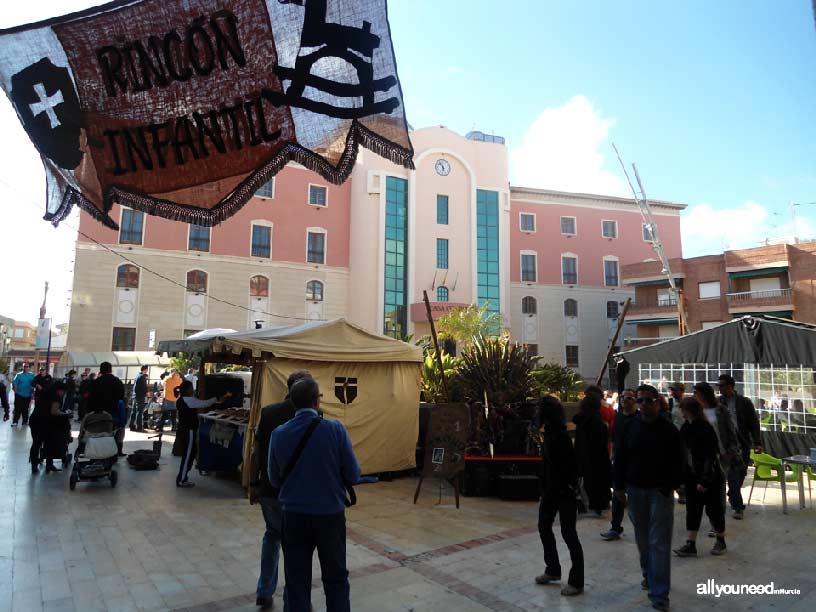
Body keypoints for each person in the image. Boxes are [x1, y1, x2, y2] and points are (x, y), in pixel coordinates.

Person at [269, 378, 361, 612]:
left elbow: (274, 479)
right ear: (316, 400)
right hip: (330, 516)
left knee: (297, 582)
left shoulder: (279, 434)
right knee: (336, 578)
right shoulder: (335, 430)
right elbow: (354, 473)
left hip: (294, 517)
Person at [614, 384, 685, 612]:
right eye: (640, 400)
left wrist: (670, 487)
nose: (644, 404)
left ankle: (660, 593)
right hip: (635, 491)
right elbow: (621, 457)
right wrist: (618, 488)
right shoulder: (629, 427)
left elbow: (680, 462)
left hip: (659, 493)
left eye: (648, 400)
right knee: (643, 541)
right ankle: (649, 575)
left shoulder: (668, 429)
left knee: (659, 544)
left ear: (657, 402)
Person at [250, 369, 313, 610]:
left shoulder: (268, 413)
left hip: (269, 489)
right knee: (296, 545)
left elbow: (257, 452)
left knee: (272, 536)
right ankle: (293, 599)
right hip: (298, 493)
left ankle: (265, 591)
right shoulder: (313, 416)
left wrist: (253, 483)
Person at [534, 396, 584, 597]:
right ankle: (553, 569)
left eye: (539, 409)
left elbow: (567, 467)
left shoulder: (560, 436)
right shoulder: (550, 433)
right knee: (544, 527)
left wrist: (565, 489)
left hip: (564, 492)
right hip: (551, 491)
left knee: (569, 534)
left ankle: (577, 581)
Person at [673, 397, 727, 558]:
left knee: (714, 510)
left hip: (709, 477)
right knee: (693, 511)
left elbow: (710, 456)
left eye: (683, 409)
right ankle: (691, 544)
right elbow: (683, 454)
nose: (681, 412)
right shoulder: (686, 428)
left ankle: (721, 540)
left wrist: (704, 480)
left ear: (689, 410)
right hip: (692, 477)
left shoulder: (705, 428)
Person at [693, 382, 742, 521]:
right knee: (707, 488)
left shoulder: (720, 410)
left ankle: (726, 515)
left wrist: (731, 450)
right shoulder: (696, 411)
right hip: (704, 456)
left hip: (722, 453)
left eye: (697, 393)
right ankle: (713, 519)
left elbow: (731, 431)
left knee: (723, 486)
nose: (695, 395)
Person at [717, 374, 762, 520]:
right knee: (732, 477)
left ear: (731, 386)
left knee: (740, 475)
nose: (720, 388)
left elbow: (754, 424)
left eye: (722, 385)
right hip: (726, 446)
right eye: (719, 386)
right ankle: (738, 507)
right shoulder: (718, 403)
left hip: (742, 445)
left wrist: (757, 442)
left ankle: (732, 494)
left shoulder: (744, 402)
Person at [175, 379, 230, 487]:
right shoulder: (188, 400)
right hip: (188, 431)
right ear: (187, 390)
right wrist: (217, 398)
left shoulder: (183, 399)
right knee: (188, 456)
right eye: (191, 388)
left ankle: (183, 478)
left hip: (184, 430)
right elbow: (205, 403)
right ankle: (181, 479)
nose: (193, 389)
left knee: (190, 454)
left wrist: (217, 400)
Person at [601, 388, 638, 541]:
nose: (625, 400)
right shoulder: (619, 417)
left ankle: (642, 528)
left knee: (636, 500)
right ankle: (615, 527)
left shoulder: (639, 418)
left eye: (629, 398)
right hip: (619, 463)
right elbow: (615, 439)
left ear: (634, 401)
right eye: (623, 397)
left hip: (634, 465)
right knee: (617, 496)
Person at [573, 391, 612, 515]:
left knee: (583, 480)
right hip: (598, 455)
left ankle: (584, 503)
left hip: (582, 454)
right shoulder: (599, 420)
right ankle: (598, 505)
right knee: (598, 480)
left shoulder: (580, 420)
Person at [29, 380, 69, 474]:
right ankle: (49, 465)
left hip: (35, 420)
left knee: (36, 443)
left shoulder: (45, 392)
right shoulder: (56, 397)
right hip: (45, 422)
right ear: (60, 390)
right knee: (49, 443)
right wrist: (64, 414)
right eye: (64, 392)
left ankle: (34, 466)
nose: (64, 394)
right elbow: (54, 411)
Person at [131, 365, 149, 432]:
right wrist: (147, 393)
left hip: (135, 395)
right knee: (140, 411)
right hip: (140, 396)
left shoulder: (137, 376)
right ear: (145, 369)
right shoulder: (142, 376)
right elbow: (144, 387)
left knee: (134, 411)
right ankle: (139, 427)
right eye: (147, 369)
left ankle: (131, 425)